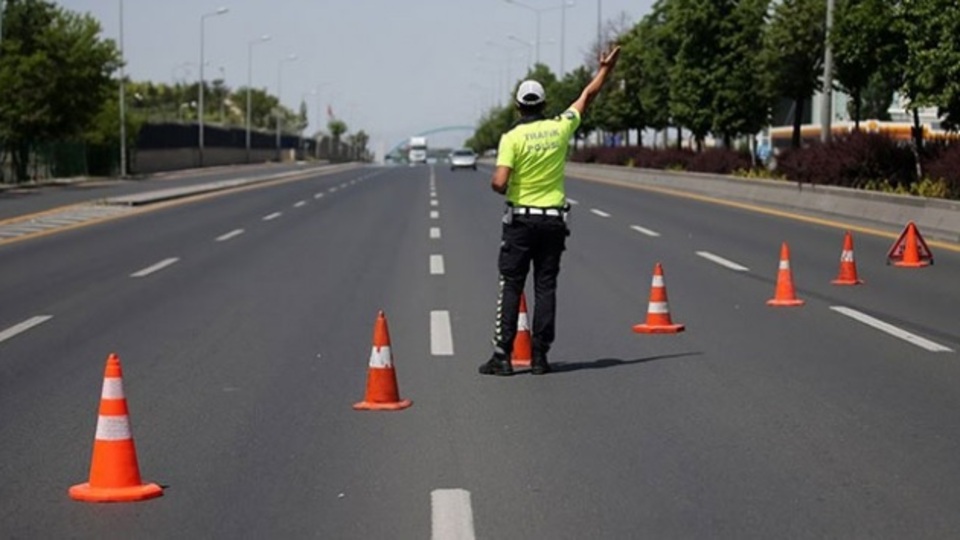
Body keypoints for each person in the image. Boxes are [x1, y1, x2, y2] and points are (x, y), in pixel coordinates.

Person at [479, 46, 622, 377]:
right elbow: (586, 97)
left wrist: (504, 181)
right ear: (543, 105)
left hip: (521, 221)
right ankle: (540, 356)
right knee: (546, 286)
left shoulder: (512, 138)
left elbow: (500, 182)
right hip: (554, 221)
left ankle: (502, 355)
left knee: (512, 283)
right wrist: (605, 70)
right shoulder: (560, 128)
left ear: (518, 106)